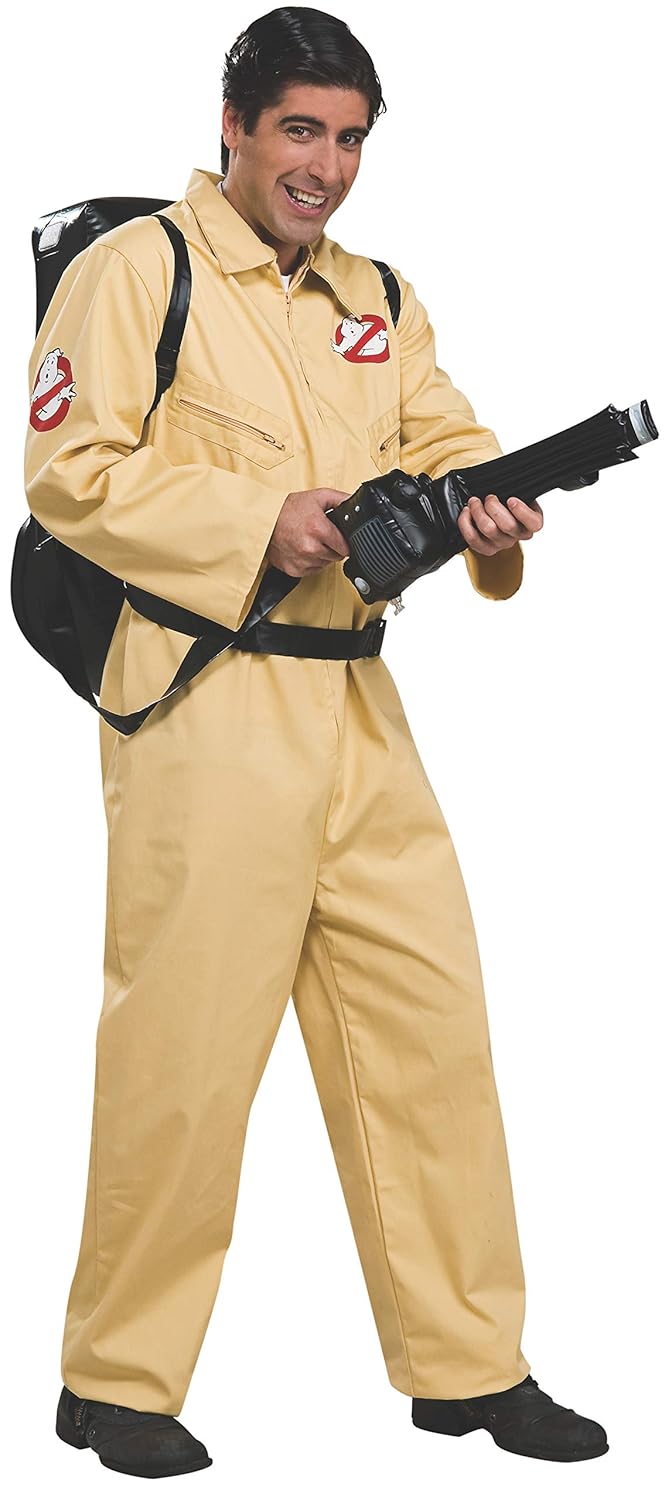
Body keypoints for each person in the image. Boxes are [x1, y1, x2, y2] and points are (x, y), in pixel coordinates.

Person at [23, 5, 608, 1479]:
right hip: (205, 703)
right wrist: (257, 521)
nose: (325, 167)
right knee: (187, 1049)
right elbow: (68, 473)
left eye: (349, 139)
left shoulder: (379, 296)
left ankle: (467, 1366)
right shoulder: (134, 270)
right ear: (232, 126)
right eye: (300, 130)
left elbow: (442, 432)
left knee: (430, 1032)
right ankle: (116, 1382)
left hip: (359, 705)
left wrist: (488, 509)